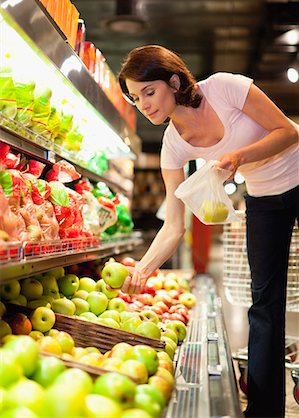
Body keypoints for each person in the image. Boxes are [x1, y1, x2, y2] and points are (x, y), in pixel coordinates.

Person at [118, 45, 299, 418]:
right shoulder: (173, 145)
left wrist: (239, 157)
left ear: (174, 80)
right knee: (264, 304)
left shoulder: (224, 87)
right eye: (136, 99)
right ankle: (264, 411)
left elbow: (289, 131)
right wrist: (142, 270)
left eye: (149, 92)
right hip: (264, 197)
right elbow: (173, 225)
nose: (144, 105)